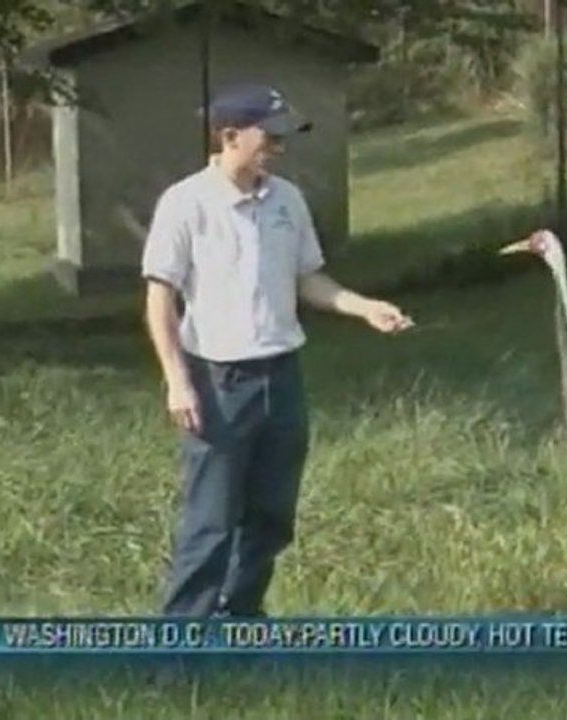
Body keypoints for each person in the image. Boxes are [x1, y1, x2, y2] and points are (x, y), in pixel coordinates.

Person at [141, 83, 414, 617]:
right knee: (211, 521)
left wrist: (365, 307)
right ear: (229, 136)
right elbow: (159, 299)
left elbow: (307, 278)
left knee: (270, 516)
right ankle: (177, 647)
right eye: (270, 136)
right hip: (219, 384)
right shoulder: (186, 202)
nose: (279, 148)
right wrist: (177, 380)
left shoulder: (286, 199)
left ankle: (239, 617)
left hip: (282, 378)